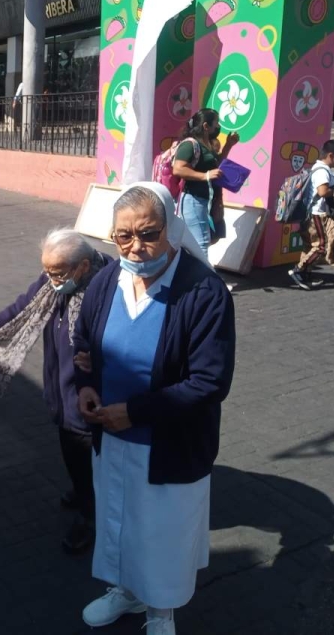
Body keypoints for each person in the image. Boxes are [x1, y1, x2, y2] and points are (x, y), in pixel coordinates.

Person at [73, 182, 236, 635]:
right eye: (124, 236)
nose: (137, 247)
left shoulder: (203, 292)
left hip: (168, 443)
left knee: (161, 532)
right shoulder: (106, 281)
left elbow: (210, 381)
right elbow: (84, 343)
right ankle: (125, 592)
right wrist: (86, 386)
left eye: (148, 234)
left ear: (171, 229)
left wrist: (137, 412)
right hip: (113, 433)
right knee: (119, 521)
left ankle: (160, 610)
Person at [0, 230, 111, 554]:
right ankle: (81, 492)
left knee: (88, 458)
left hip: (89, 396)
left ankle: (90, 518)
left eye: (57, 273)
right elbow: (25, 303)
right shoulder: (57, 279)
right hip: (60, 387)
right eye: (47, 271)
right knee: (70, 451)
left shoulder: (106, 291)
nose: (51, 280)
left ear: (83, 266)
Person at [289, 139, 334, 289]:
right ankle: (299, 271)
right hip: (318, 215)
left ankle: (305, 275)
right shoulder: (323, 171)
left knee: (310, 246)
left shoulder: (317, 168)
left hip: (311, 213)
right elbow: (322, 192)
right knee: (322, 246)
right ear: (331, 155)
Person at [172, 109, 240, 258]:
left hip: (204, 200)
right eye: (216, 123)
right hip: (192, 199)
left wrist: (228, 145)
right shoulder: (190, 144)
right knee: (201, 243)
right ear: (205, 126)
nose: (218, 127)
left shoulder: (206, 145)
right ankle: (203, 279)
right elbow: (178, 169)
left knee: (202, 240)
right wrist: (205, 176)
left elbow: (215, 165)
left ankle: (187, 276)